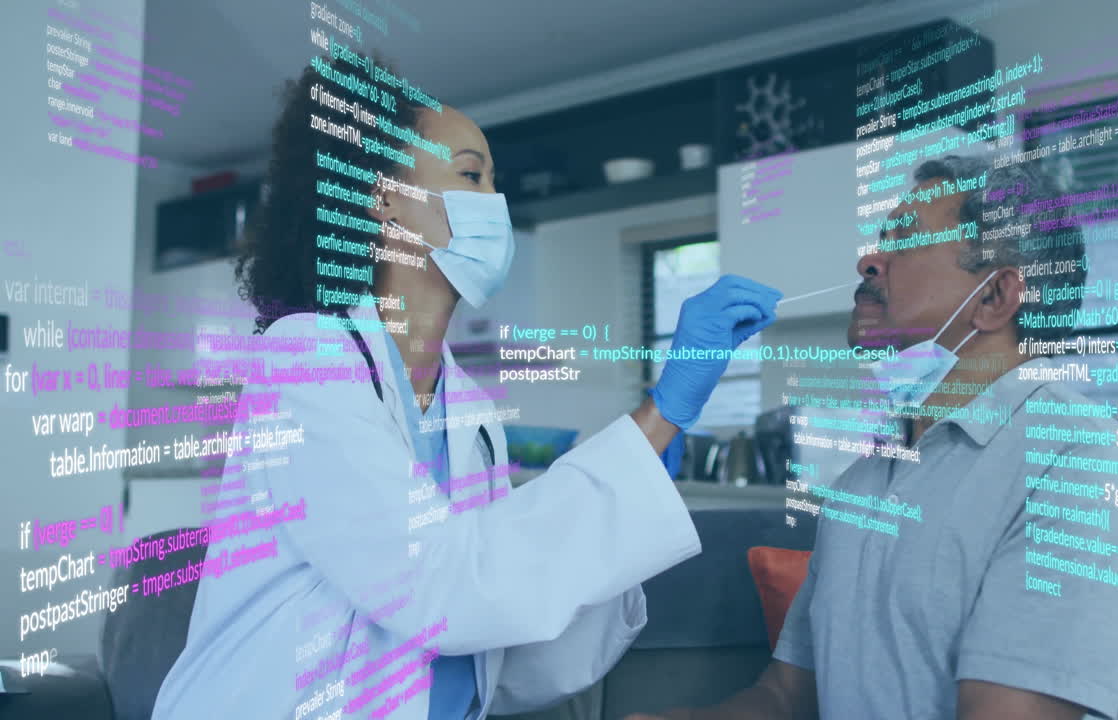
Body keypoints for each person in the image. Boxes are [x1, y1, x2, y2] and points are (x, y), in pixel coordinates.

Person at [151, 60, 781, 719]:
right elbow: (437, 586)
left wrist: (638, 478)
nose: (495, 203)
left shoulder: (472, 417)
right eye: (470, 174)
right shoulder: (306, 359)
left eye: (494, 180)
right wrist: (655, 421)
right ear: (384, 198)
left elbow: (500, 658)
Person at [629, 156, 1118, 720]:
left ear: (994, 298)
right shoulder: (867, 480)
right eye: (881, 239)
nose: (868, 261)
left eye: (904, 242)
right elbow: (786, 696)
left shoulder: (1077, 466)